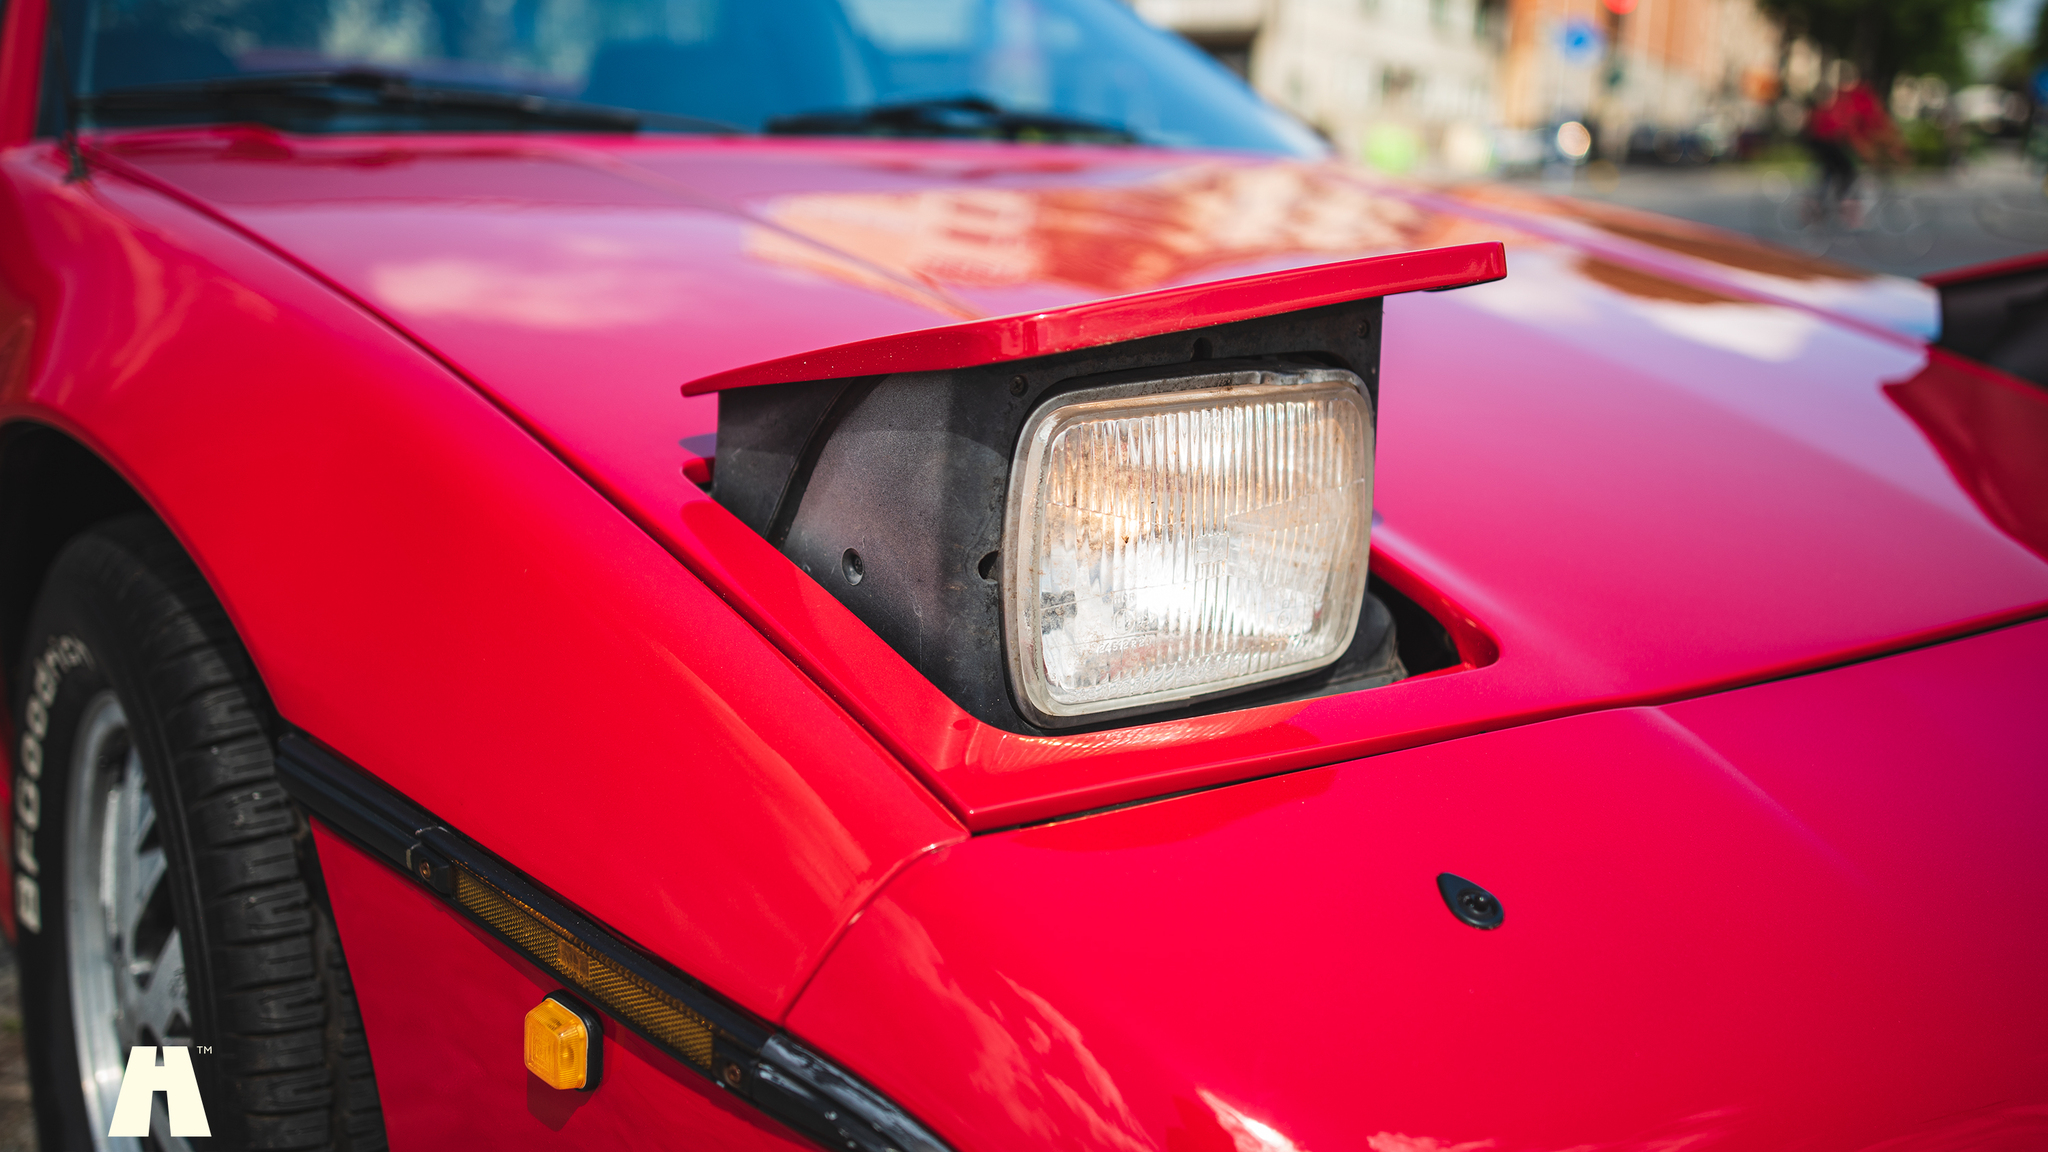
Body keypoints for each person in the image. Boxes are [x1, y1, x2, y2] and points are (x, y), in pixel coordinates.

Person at [1804, 60, 1904, 219]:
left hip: (1822, 140)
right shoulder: (1855, 97)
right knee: (1846, 172)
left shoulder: (1845, 96)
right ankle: (1835, 203)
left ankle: (1819, 205)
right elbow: (1852, 127)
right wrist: (1865, 149)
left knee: (1831, 172)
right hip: (1827, 140)